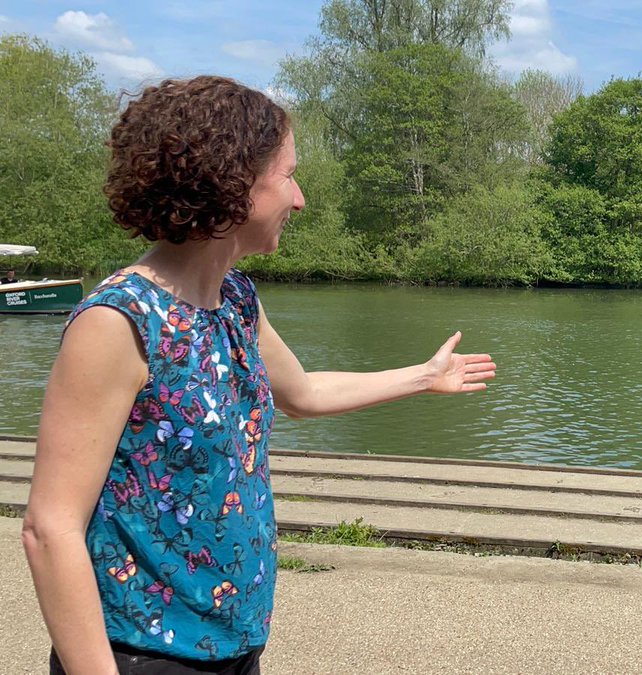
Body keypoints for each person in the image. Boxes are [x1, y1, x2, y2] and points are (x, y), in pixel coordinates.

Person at [21, 76, 496, 674]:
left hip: (236, 643)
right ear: (233, 184)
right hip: (144, 655)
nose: (299, 200)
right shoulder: (120, 321)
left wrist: (424, 376)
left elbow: (301, 393)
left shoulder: (235, 298)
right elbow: (50, 527)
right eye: (288, 176)